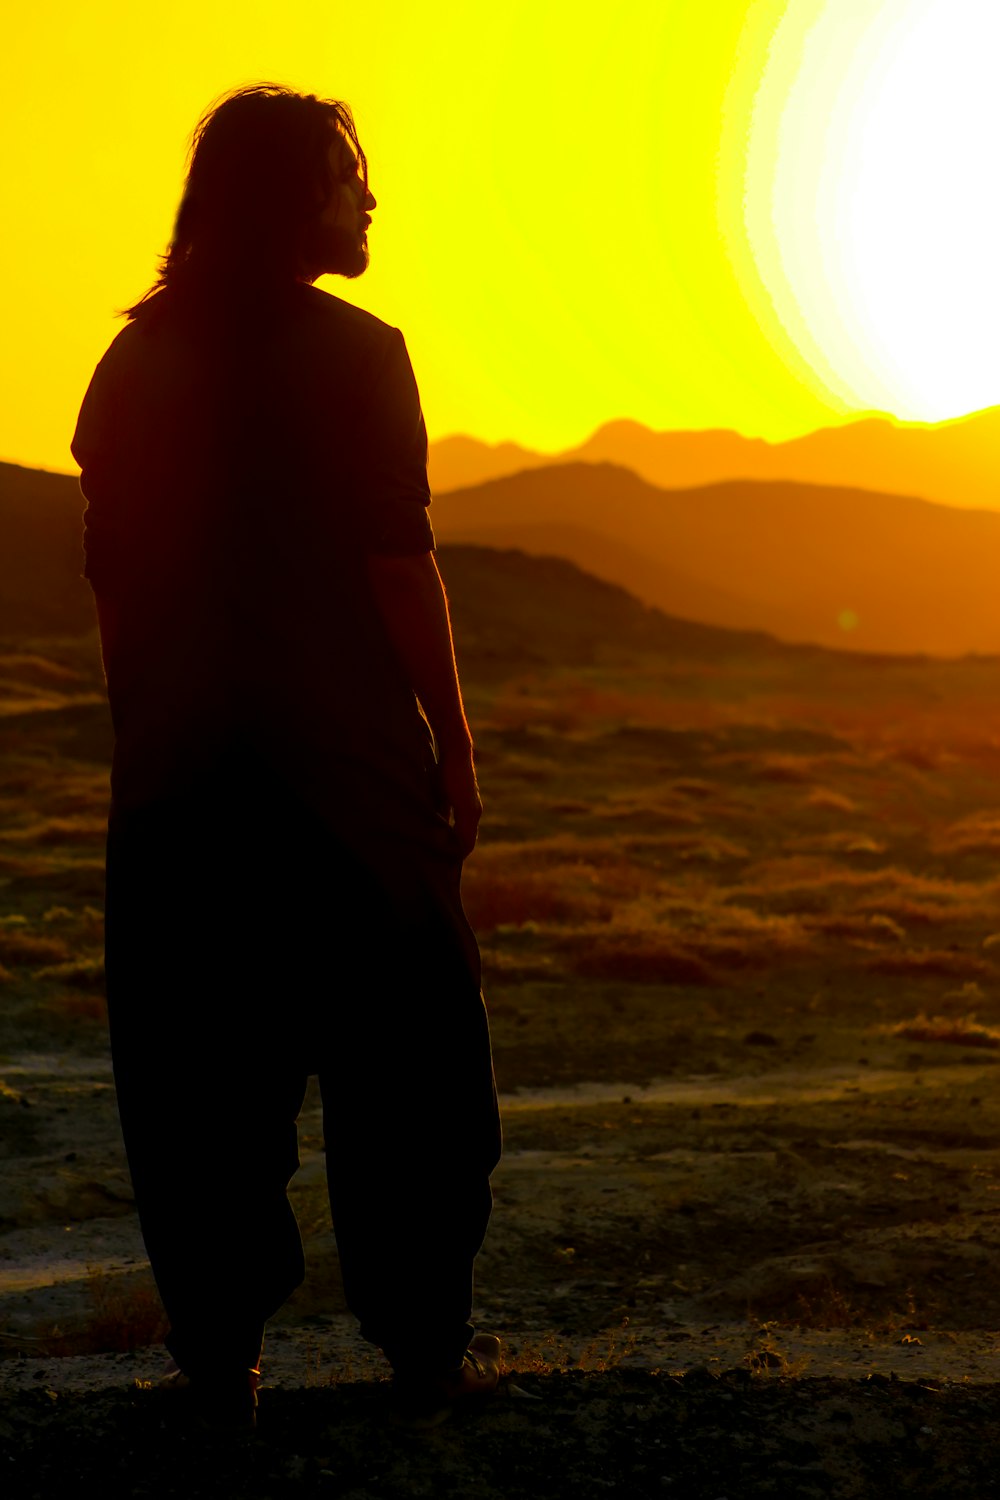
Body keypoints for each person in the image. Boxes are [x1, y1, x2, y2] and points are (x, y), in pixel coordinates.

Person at [70, 83, 502, 1431]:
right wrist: (454, 741)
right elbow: (396, 560)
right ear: (281, 198)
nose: (367, 194)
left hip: (180, 794)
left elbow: (114, 593)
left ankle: (218, 1367)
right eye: (342, 174)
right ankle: (422, 1353)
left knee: (200, 1086)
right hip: (348, 787)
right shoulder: (361, 357)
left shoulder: (125, 373)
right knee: (415, 1077)